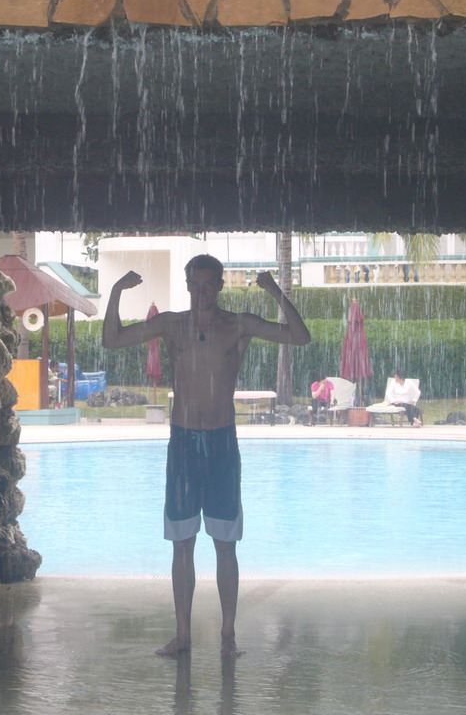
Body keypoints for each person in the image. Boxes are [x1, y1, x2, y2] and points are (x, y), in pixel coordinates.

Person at [102, 254, 311, 658]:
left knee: (225, 543)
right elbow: (112, 339)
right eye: (194, 285)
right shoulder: (171, 324)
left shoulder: (238, 325)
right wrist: (114, 292)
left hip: (220, 443)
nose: (201, 293)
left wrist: (274, 292)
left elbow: (300, 337)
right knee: (182, 543)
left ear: (219, 285)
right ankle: (183, 635)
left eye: (208, 285)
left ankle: (228, 636)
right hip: (182, 442)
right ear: (186, 285)